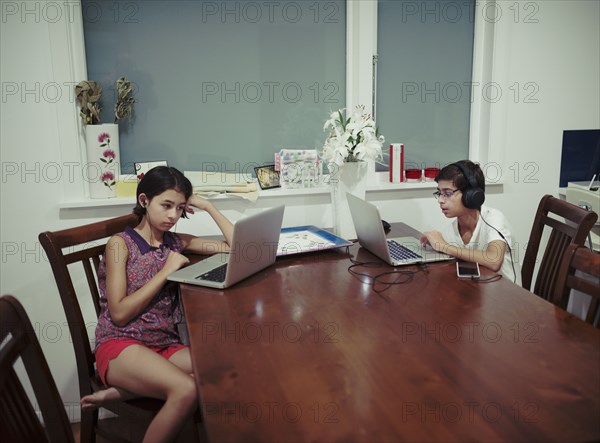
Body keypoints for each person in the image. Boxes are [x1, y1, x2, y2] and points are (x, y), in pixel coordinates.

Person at [80, 166, 233, 442]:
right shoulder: (120, 245)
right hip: (120, 343)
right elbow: (120, 312)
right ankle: (127, 386)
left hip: (162, 345)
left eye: (180, 208)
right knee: (187, 389)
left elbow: (236, 247)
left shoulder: (174, 242)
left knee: (227, 370)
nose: (173, 215)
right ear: (144, 201)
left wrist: (209, 207)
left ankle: (125, 391)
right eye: (166, 205)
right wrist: (166, 272)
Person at [420, 160, 519, 283]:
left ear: (471, 195)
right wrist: (434, 245)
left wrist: (445, 246)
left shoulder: (494, 219)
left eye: (447, 193)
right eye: (439, 193)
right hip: (477, 291)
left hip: (507, 295)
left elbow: (494, 261)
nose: (440, 200)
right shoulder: (452, 229)